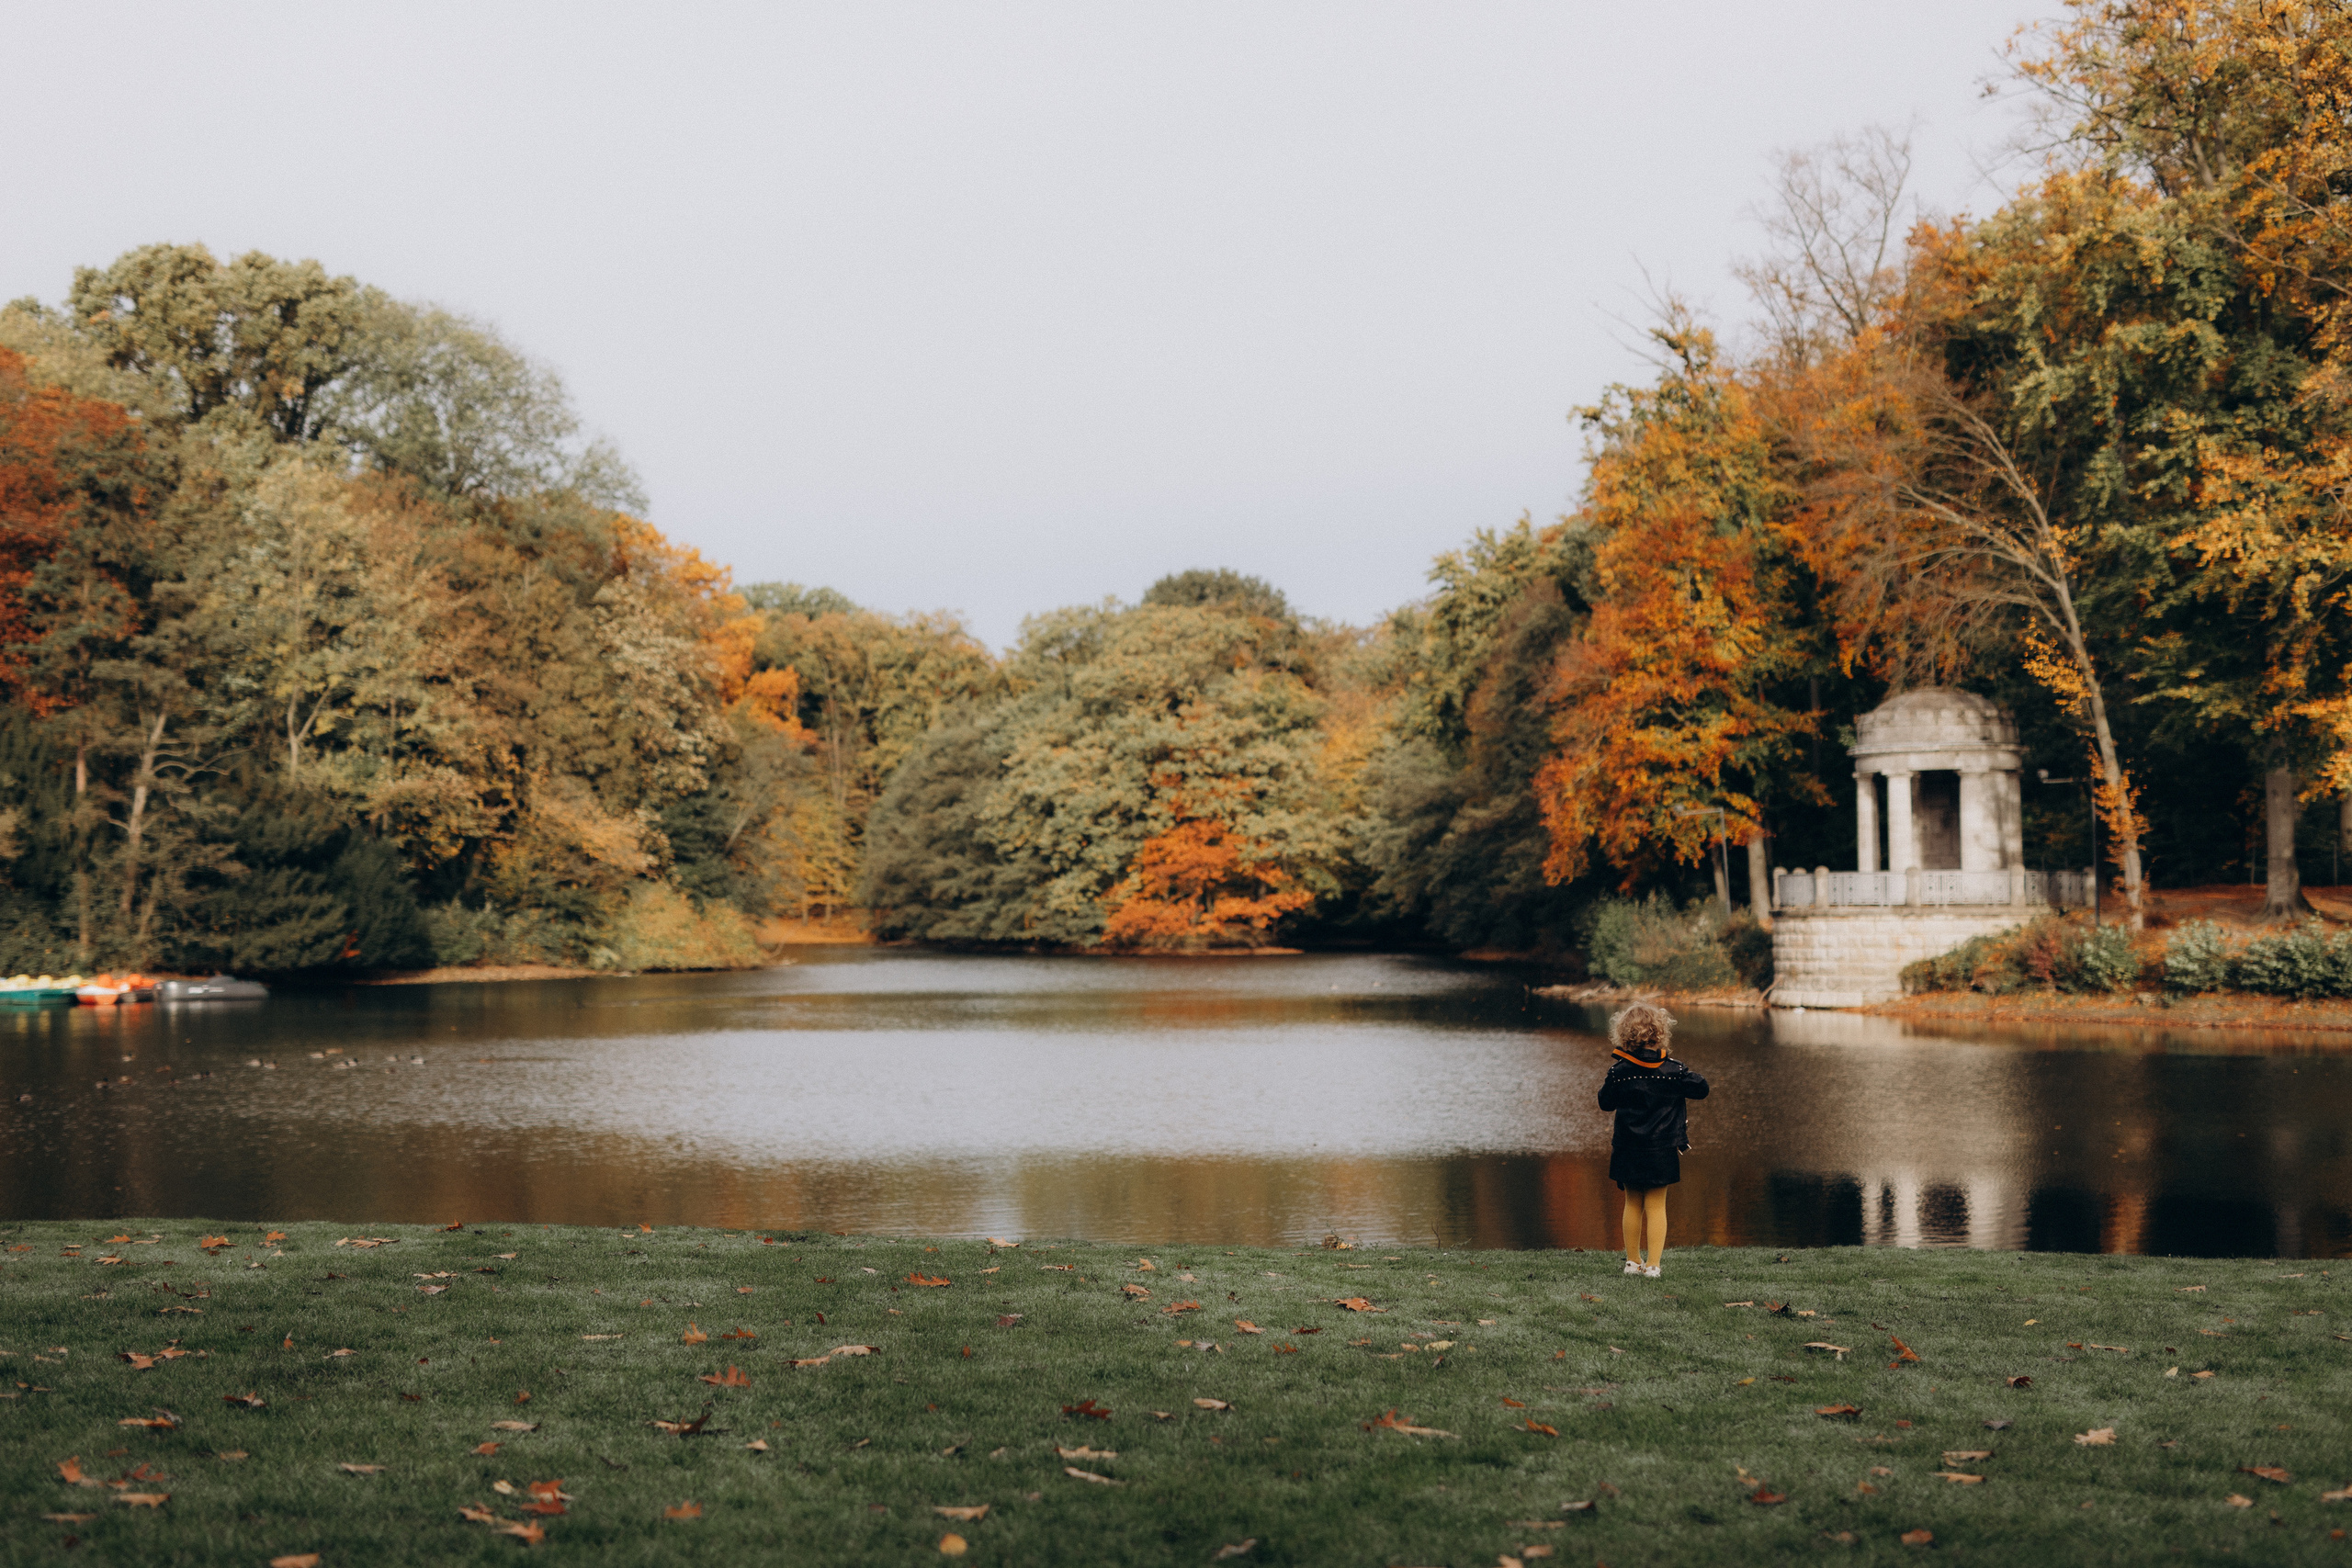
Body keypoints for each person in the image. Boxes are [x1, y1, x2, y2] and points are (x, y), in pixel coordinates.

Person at [1597, 1001, 1708, 1279]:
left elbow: (1605, 1103)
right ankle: (1654, 1266)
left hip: (1627, 1147)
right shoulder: (1673, 1070)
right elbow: (1702, 1088)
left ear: (1624, 1035)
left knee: (1632, 1203)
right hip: (1661, 1148)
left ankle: (1633, 1262)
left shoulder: (1619, 1072)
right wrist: (1681, 1073)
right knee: (1657, 1206)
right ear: (1660, 1032)